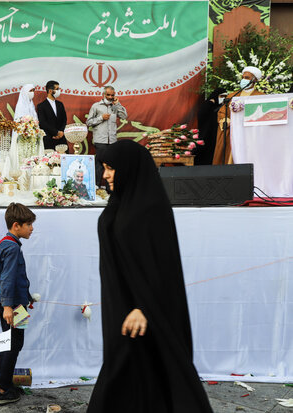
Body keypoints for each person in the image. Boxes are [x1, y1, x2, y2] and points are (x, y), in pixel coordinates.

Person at [87, 140, 212, 413]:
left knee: (140, 368)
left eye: (111, 169)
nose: (105, 175)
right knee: (130, 371)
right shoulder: (121, 202)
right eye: (105, 168)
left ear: (130, 169)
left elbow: (163, 265)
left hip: (142, 310)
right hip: (119, 304)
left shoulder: (150, 209)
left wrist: (144, 307)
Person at [0, 203, 36, 406]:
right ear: (16, 225)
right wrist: (9, 307)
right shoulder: (12, 248)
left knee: (9, 343)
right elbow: (8, 279)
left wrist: (27, 296)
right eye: (29, 224)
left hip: (15, 303)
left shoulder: (5, 243)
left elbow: (13, 278)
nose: (32, 228)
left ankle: (3, 383)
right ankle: (2, 389)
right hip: (14, 306)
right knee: (13, 345)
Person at [213, 66, 264, 165]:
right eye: (243, 77)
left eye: (247, 78)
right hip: (233, 131)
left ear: (254, 80)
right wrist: (224, 119)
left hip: (249, 132)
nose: (244, 80)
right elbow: (223, 111)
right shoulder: (232, 95)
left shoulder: (260, 96)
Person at [86, 86, 128, 188]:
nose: (110, 97)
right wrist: (101, 118)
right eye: (108, 95)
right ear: (103, 95)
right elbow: (88, 122)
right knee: (100, 165)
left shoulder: (116, 106)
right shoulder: (96, 106)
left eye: (112, 95)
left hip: (112, 140)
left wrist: (117, 104)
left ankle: (111, 190)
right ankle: (96, 188)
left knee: (112, 165)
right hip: (100, 140)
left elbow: (124, 116)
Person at [8, 84, 44, 170]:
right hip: (22, 137)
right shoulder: (20, 105)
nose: (32, 93)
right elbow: (18, 122)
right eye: (30, 91)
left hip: (32, 137)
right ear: (25, 92)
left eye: (33, 91)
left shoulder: (31, 104)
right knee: (23, 160)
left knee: (33, 158)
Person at [194, 88, 226, 165]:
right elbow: (201, 116)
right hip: (207, 135)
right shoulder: (208, 105)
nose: (223, 98)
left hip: (217, 136)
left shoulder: (224, 108)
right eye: (221, 96)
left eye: (225, 96)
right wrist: (209, 103)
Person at [36, 80, 67, 150]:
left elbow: (64, 119)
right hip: (49, 138)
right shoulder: (41, 106)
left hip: (61, 139)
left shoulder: (60, 104)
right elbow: (43, 123)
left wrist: (61, 132)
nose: (59, 91)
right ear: (50, 91)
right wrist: (56, 132)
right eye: (57, 89)